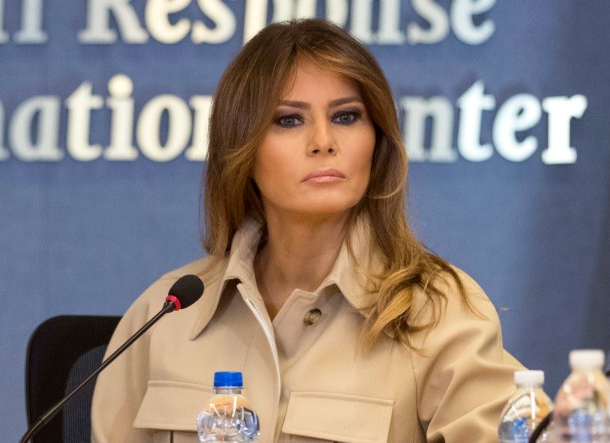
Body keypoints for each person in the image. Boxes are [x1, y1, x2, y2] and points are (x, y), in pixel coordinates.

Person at [91, 18, 524, 443]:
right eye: (289, 120)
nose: (323, 141)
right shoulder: (163, 315)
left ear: (377, 141)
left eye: (346, 116)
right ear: (241, 148)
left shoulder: (438, 313)